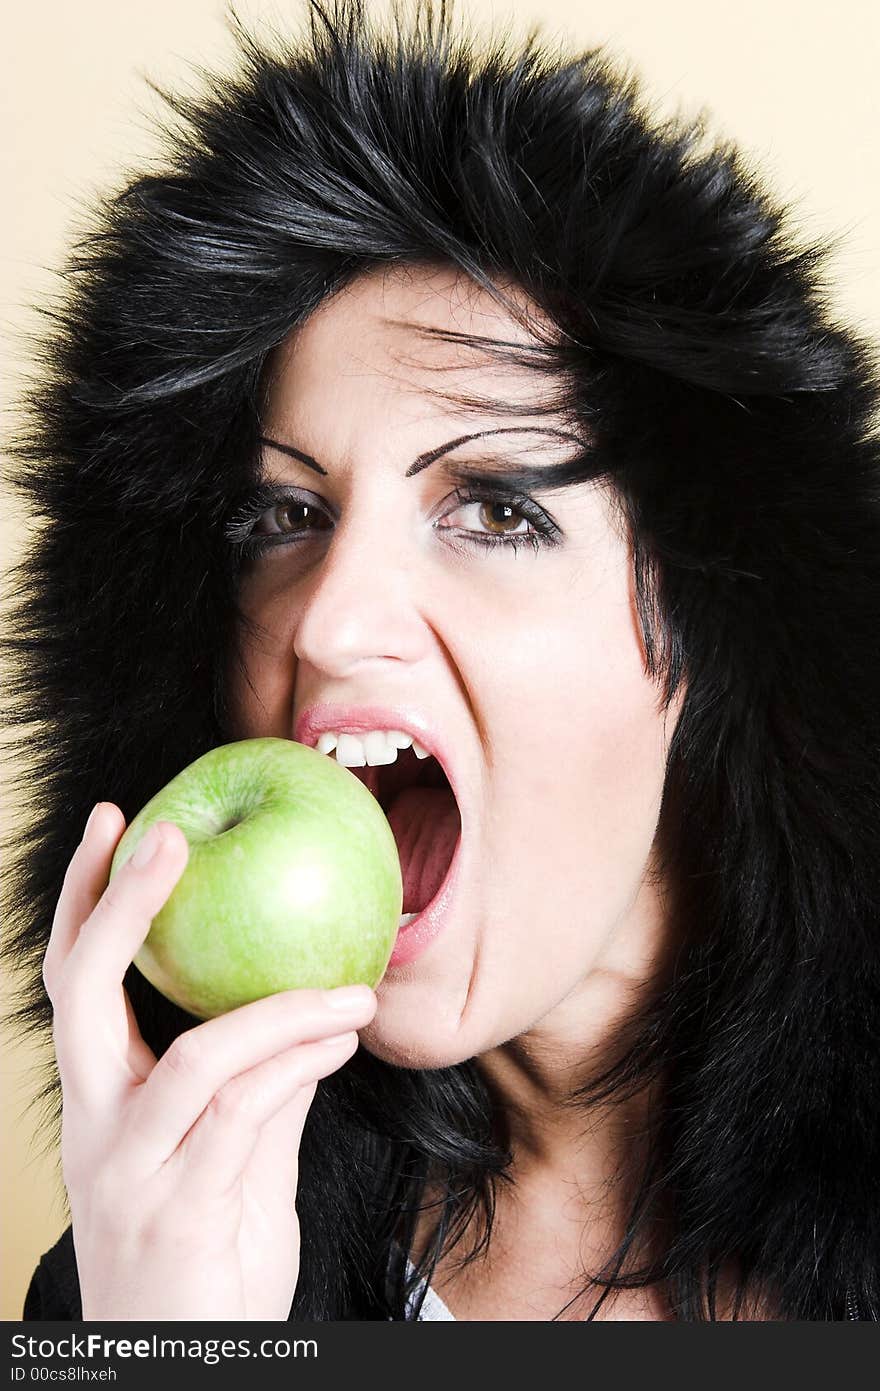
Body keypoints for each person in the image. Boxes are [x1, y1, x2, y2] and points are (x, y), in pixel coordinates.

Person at [2, 0, 878, 1322]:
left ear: (709, 635)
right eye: (282, 515)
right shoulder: (148, 1276)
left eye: (497, 510)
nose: (328, 619)